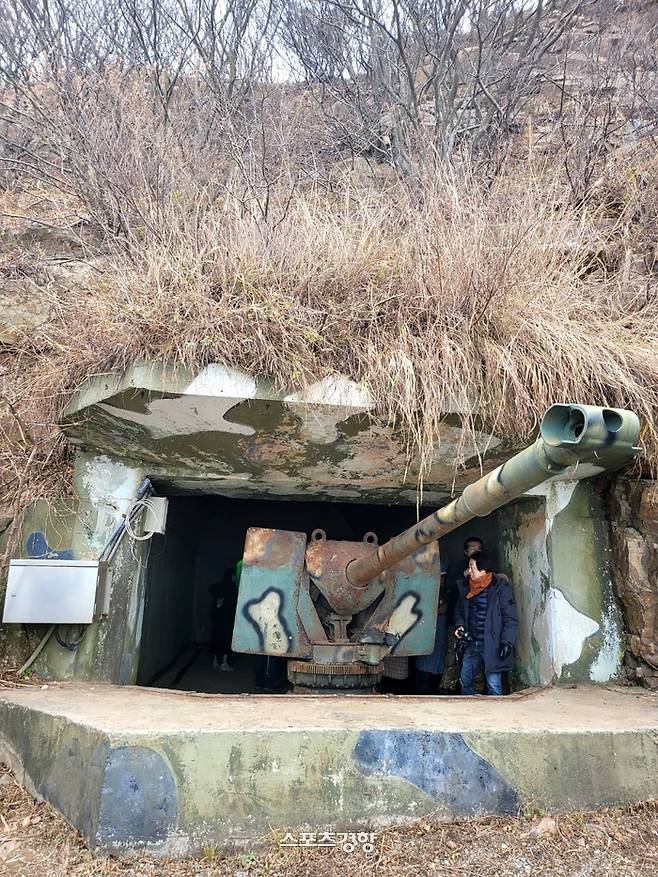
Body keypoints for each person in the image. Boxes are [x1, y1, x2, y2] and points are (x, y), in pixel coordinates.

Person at [453, 549, 518, 696]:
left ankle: (496, 716)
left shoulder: (500, 588)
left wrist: (507, 642)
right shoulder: (465, 587)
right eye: (469, 567)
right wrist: (460, 625)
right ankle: (470, 710)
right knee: (465, 679)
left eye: (472, 567)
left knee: (493, 684)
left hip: (492, 644)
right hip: (471, 641)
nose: (469, 571)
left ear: (483, 570)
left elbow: (510, 619)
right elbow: (459, 610)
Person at [414, 565, 450, 694]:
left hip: (439, 638)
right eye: (440, 577)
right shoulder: (424, 592)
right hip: (426, 637)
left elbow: (444, 609)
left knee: (434, 676)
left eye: (443, 578)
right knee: (423, 675)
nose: (441, 581)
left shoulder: (446, 594)